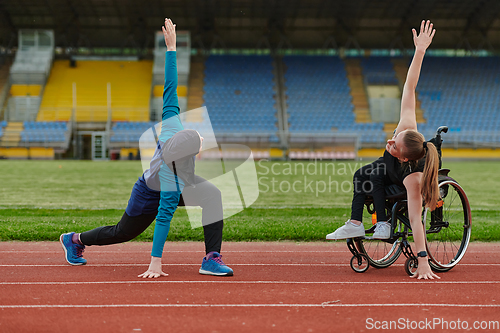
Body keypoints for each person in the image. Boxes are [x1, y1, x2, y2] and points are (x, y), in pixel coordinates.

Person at [60, 18, 233, 277]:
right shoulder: (171, 176)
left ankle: (211, 258)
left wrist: (172, 49)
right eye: (199, 142)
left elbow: (170, 87)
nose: (202, 142)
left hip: (180, 179)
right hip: (148, 193)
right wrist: (156, 262)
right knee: (123, 232)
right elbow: (164, 217)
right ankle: (74, 240)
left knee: (212, 195)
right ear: (188, 154)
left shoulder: (172, 127)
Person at [327, 20, 440, 280]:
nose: (390, 142)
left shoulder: (414, 177)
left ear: (403, 157)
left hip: (400, 179)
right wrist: (420, 50)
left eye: (394, 146)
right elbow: (409, 87)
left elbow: (414, 219)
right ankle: (359, 223)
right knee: (364, 173)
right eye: (395, 139)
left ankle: (384, 224)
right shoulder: (407, 126)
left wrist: (423, 260)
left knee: (376, 174)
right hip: (388, 171)